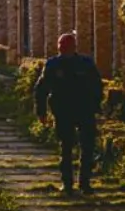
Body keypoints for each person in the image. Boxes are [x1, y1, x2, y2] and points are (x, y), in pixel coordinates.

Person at [33, 32, 104, 194]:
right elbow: (41, 89)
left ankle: (84, 182)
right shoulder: (53, 65)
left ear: (73, 47)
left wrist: (95, 105)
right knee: (66, 147)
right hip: (63, 110)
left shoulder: (85, 64)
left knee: (87, 147)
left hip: (84, 109)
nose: (62, 49)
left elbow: (97, 86)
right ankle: (67, 183)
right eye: (61, 46)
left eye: (65, 46)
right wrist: (41, 111)